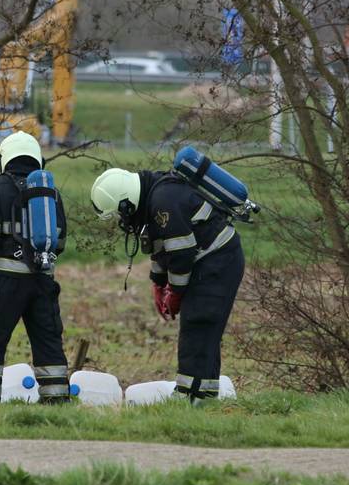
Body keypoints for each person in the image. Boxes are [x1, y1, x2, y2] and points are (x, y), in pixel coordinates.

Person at [89, 167, 244, 401]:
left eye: (119, 215)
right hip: (210, 261)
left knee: (198, 324)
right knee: (203, 329)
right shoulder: (153, 198)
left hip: (217, 262)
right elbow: (161, 248)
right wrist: (158, 283)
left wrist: (174, 292)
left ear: (126, 204)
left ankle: (188, 395)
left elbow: (180, 255)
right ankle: (205, 395)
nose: (122, 221)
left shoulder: (163, 202)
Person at [0, 131, 70, 403]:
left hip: (7, 282)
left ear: (4, 159)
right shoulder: (51, 192)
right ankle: (57, 400)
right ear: (39, 160)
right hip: (43, 281)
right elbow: (59, 241)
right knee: (48, 343)